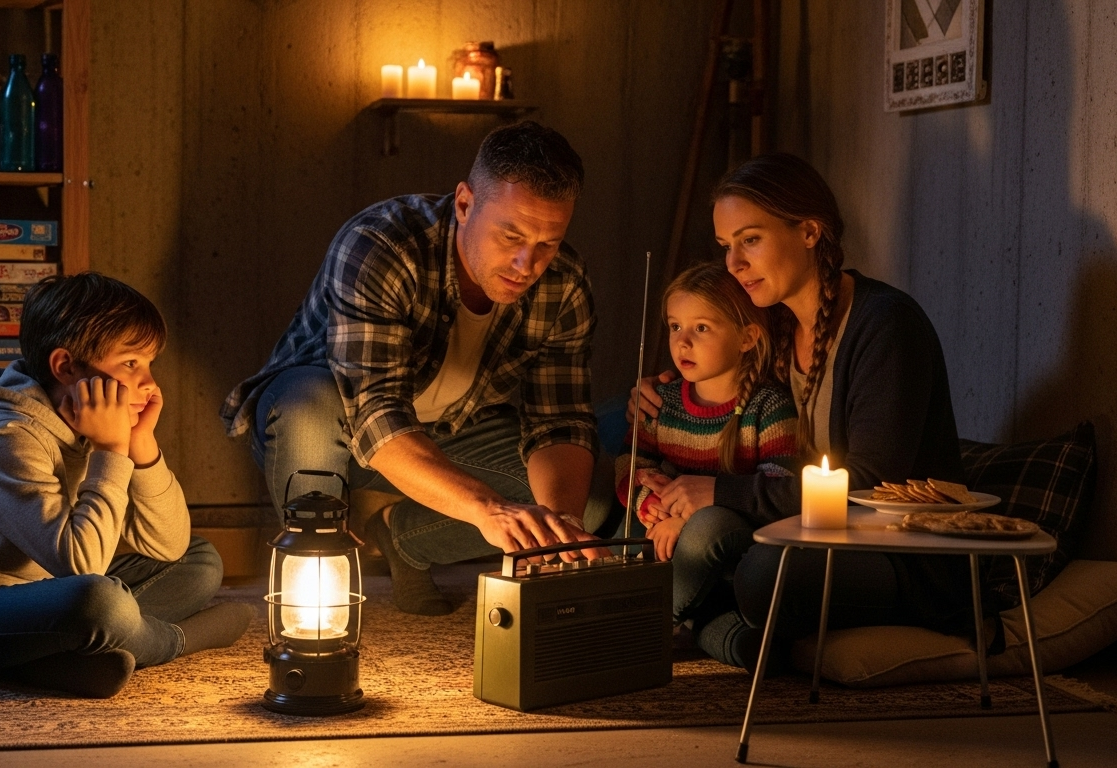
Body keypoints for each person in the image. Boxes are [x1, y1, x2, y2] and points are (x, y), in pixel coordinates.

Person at [222, 121, 610, 616]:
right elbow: (376, 412)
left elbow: (559, 421)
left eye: (547, 243)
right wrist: (487, 509)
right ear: (466, 203)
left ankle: (404, 539)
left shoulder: (565, 283)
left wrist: (554, 533)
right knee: (306, 402)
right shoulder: (382, 245)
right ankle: (315, 597)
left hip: (448, 431)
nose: (525, 263)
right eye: (510, 234)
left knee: (585, 506)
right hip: (329, 420)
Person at [630, 152, 969, 670]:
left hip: (895, 555)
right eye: (726, 246)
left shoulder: (886, 326)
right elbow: (724, 394)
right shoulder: (779, 326)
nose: (733, 264)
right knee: (626, 466)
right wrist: (659, 393)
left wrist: (720, 491)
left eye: (751, 239)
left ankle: (680, 623)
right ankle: (724, 633)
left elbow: (872, 485)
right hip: (797, 528)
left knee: (762, 576)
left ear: (809, 232)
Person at [0, 273, 252, 698]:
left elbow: (168, 546)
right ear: (66, 366)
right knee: (98, 602)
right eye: (130, 363)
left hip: (32, 589)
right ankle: (171, 641)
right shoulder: (4, 437)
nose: (150, 383)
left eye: (149, 364)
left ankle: (59, 656)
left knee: (200, 559)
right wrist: (110, 450)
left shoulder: (86, 422)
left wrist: (142, 447)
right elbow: (82, 567)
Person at [615, 261, 798, 662]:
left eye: (701, 328)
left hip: (726, 551)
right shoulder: (660, 401)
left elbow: (779, 481)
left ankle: (645, 626)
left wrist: (685, 518)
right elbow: (632, 466)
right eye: (675, 326)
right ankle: (700, 625)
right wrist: (655, 512)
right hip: (661, 539)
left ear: (747, 337)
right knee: (743, 645)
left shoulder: (767, 408)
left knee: (706, 528)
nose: (682, 342)